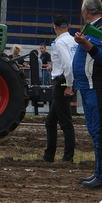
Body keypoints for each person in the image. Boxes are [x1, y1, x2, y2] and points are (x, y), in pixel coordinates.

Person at [72, 0, 102, 190]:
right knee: (95, 131)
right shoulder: (93, 28)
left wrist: (84, 43)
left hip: (98, 87)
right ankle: (99, 172)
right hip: (90, 88)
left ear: (85, 11)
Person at [43, 15, 78, 163]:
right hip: (67, 79)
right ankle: (49, 155)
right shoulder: (73, 41)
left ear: (55, 27)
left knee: (65, 122)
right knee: (51, 121)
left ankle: (67, 157)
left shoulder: (59, 42)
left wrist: (68, 85)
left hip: (63, 83)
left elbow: (68, 65)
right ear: (68, 26)